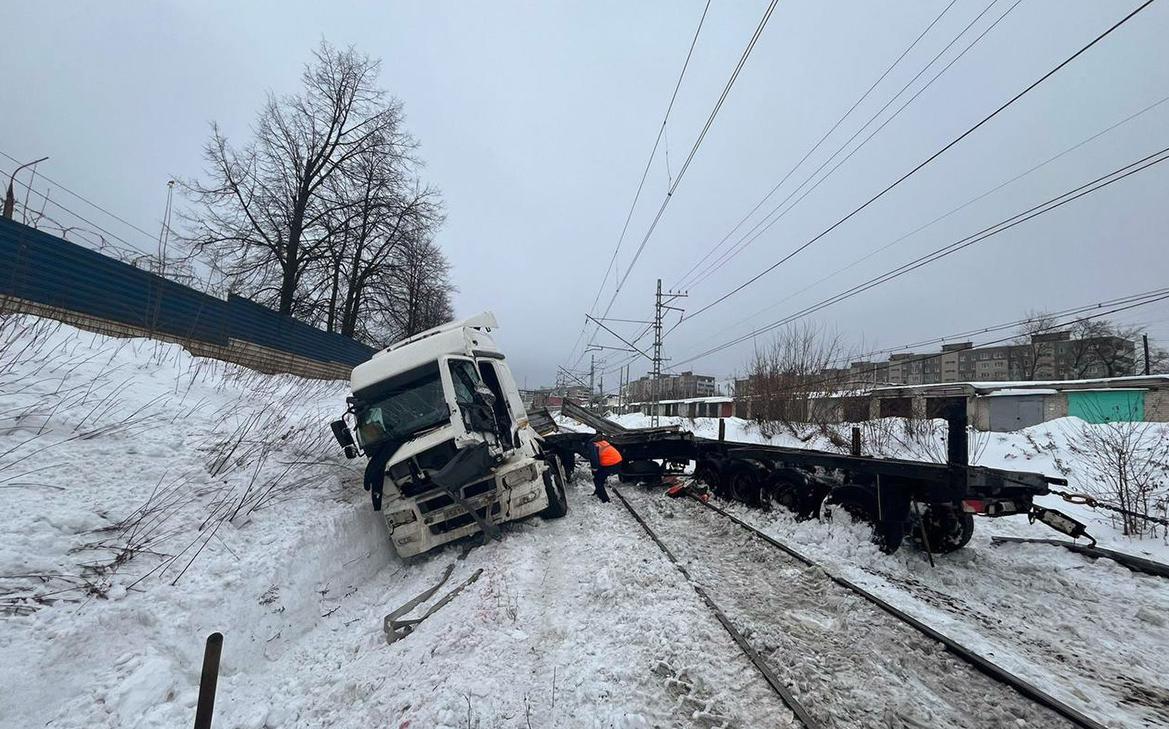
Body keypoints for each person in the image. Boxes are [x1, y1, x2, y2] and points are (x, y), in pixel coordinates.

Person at [588, 436, 623, 503]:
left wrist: (594, 470)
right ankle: (598, 491)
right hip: (618, 461)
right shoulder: (601, 443)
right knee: (600, 476)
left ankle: (605, 499)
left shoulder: (592, 445)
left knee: (597, 479)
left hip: (612, 464)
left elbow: (594, 459)